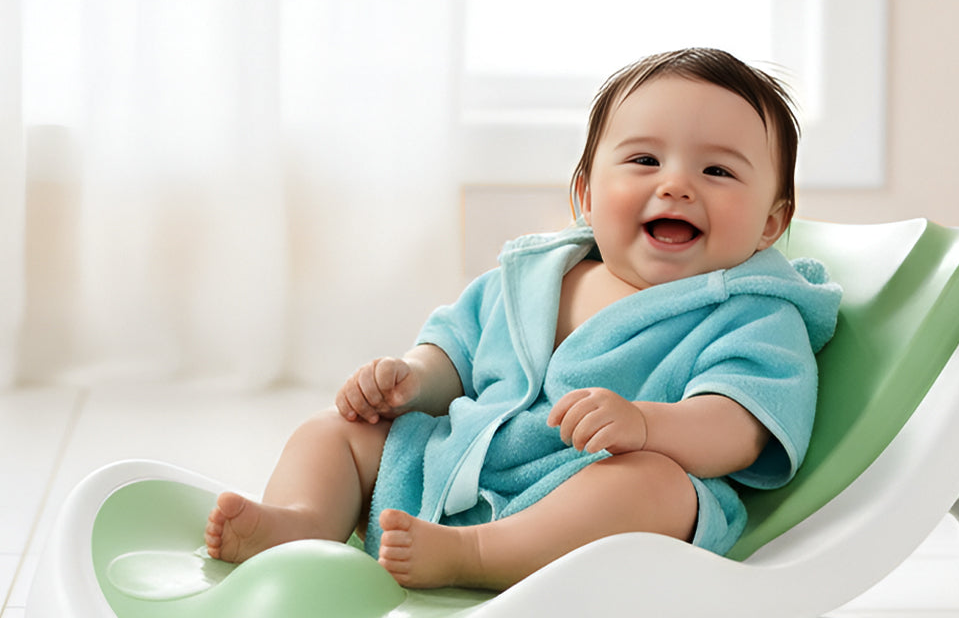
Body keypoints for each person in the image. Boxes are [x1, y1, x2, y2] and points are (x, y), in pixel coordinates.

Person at [205, 47, 841, 590]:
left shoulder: (754, 313)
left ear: (770, 223)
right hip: (459, 465)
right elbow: (454, 351)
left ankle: (479, 555)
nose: (676, 185)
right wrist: (411, 378)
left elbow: (741, 428)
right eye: (645, 161)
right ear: (587, 196)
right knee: (336, 430)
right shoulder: (532, 278)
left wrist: (648, 424)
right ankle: (300, 523)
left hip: (590, 499)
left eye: (718, 170)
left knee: (656, 487)